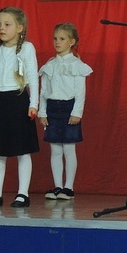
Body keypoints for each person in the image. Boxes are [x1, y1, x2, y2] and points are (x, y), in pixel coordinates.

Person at [0, 7, 40, 208]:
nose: (1, 28)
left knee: (23, 151)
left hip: (18, 101)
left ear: (20, 28)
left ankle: (23, 193)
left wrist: (33, 104)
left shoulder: (27, 48)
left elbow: (32, 78)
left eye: (7, 24)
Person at [39, 22, 93, 201]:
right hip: (53, 109)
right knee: (55, 149)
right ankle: (57, 186)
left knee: (69, 149)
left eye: (61, 39)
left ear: (72, 42)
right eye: (55, 38)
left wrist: (77, 112)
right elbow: (43, 90)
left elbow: (80, 92)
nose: (57, 42)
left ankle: (69, 187)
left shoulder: (77, 65)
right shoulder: (49, 65)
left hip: (69, 108)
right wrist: (42, 112)